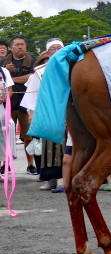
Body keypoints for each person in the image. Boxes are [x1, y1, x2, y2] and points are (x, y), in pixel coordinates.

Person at [21, 38, 65, 190]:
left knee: (72, 147)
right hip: (48, 112)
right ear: (47, 52)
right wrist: (32, 114)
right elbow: (32, 95)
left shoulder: (72, 66)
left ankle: (70, 179)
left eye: (60, 47)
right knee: (50, 148)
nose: (57, 51)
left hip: (69, 111)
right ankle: (51, 179)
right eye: (53, 48)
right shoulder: (40, 72)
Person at [2, 37, 36, 174]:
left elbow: (31, 78)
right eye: (17, 45)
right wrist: (5, 70)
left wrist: (9, 76)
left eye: (22, 44)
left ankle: (30, 164)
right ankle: (5, 163)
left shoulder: (33, 61)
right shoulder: (3, 62)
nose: (20, 47)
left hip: (26, 104)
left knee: (28, 136)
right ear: (11, 47)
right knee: (5, 136)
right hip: (7, 104)